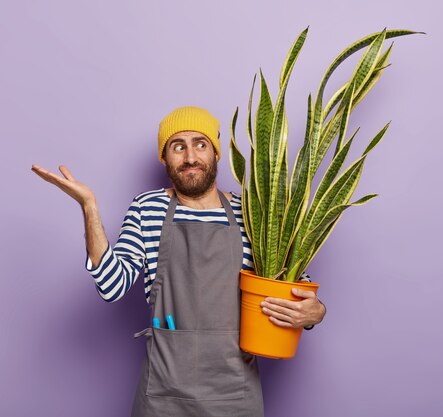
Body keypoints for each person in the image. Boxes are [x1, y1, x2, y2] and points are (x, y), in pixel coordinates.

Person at [31, 106, 326, 417]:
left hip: (235, 397)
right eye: (177, 146)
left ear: (215, 153)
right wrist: (89, 207)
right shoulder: (148, 208)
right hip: (162, 397)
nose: (190, 157)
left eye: (200, 144)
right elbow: (111, 285)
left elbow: (292, 283)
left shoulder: (250, 213)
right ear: (164, 158)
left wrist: (314, 311)